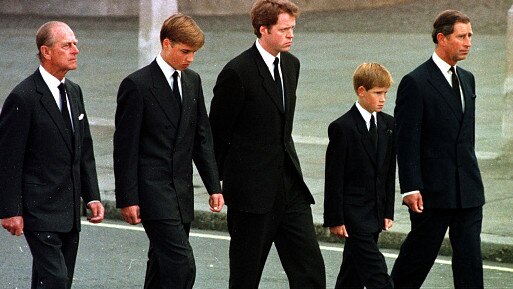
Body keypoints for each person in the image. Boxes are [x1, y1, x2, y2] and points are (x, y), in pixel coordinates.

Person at [209, 0, 325, 288]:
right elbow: (217, 134)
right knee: (246, 277)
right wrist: (219, 184)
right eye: (284, 29)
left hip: (290, 187)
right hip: (251, 193)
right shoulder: (237, 72)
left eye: (293, 29)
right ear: (263, 30)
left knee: (310, 270)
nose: (291, 35)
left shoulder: (291, 65)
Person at [113, 13, 224, 289]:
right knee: (181, 265)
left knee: (161, 267)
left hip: (181, 193)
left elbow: (202, 138)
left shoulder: (192, 81)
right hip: (152, 193)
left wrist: (214, 186)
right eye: (185, 51)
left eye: (194, 53)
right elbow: (124, 148)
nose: (190, 59)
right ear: (166, 44)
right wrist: (127, 198)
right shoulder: (137, 85)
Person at [0, 21, 104, 289]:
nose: (75, 50)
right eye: (67, 45)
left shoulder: (74, 92)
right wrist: (10, 210)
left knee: (56, 281)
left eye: (75, 44)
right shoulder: (24, 97)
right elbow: (8, 159)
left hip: (68, 210)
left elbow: (84, 149)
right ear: (46, 52)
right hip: (39, 209)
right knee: (56, 280)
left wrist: (91, 195)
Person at [391, 10, 485, 288]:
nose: (467, 42)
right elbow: (406, 140)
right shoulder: (416, 82)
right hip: (432, 191)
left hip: (468, 189)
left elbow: (466, 137)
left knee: (470, 262)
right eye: (461, 36)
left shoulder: (468, 79)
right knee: (417, 258)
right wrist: (410, 187)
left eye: (470, 36)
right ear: (441, 38)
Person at [324, 63, 395, 289]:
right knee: (377, 273)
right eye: (377, 93)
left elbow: (388, 172)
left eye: (385, 93)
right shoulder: (343, 127)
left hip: (374, 213)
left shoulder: (388, 124)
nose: (383, 98)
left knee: (351, 275)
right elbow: (334, 178)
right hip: (353, 215)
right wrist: (335, 219)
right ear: (361, 91)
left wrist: (387, 211)